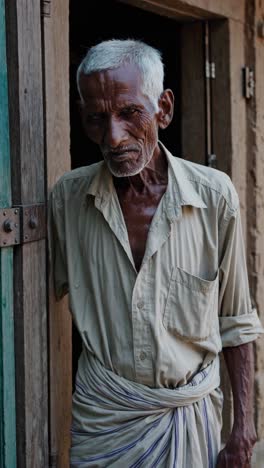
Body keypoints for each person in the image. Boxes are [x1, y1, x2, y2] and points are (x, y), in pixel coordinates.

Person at [49, 39, 263, 467]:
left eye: (129, 113)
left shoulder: (214, 196)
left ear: (163, 109)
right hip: (105, 419)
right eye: (97, 119)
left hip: (188, 415)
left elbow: (236, 320)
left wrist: (244, 426)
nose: (113, 137)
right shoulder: (67, 201)